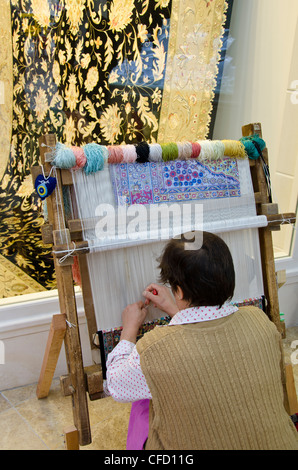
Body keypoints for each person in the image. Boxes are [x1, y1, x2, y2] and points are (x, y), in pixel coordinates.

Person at [105, 232, 298, 450]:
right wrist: (175, 308)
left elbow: (117, 386)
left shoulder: (154, 351)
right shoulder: (260, 322)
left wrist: (129, 330)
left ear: (178, 290)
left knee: (143, 401)